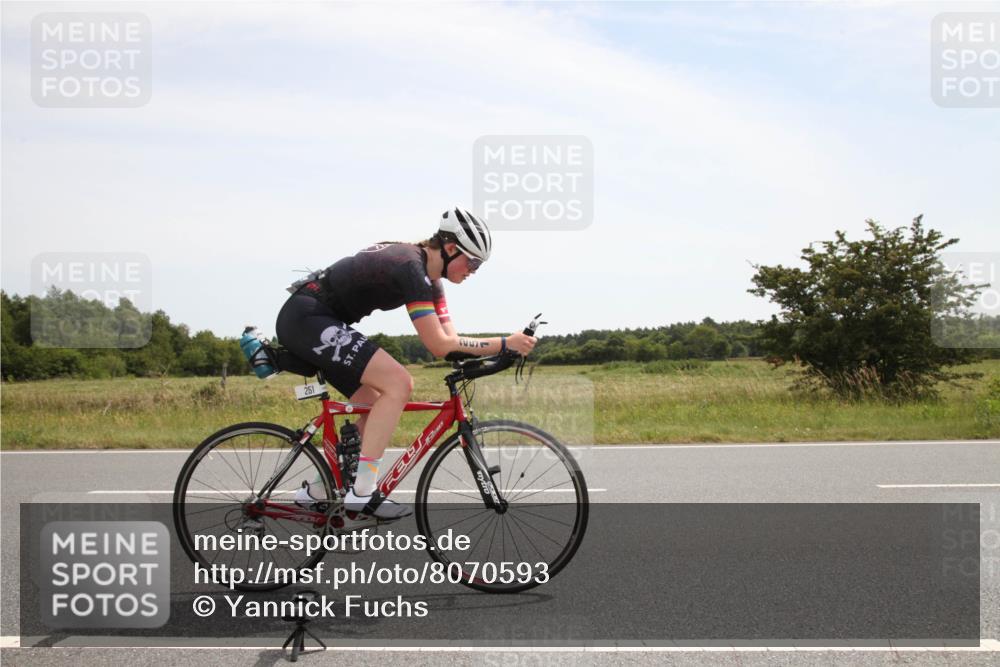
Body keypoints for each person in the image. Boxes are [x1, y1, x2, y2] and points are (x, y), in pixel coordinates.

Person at [276, 208, 536, 519]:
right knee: (398, 382)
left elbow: (450, 340)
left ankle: (317, 491)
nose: (474, 270)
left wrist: (498, 354)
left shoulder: (430, 279)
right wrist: (506, 342)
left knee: (371, 404)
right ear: (451, 249)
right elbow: (438, 345)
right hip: (308, 317)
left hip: (319, 320)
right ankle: (362, 492)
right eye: (474, 261)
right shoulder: (411, 267)